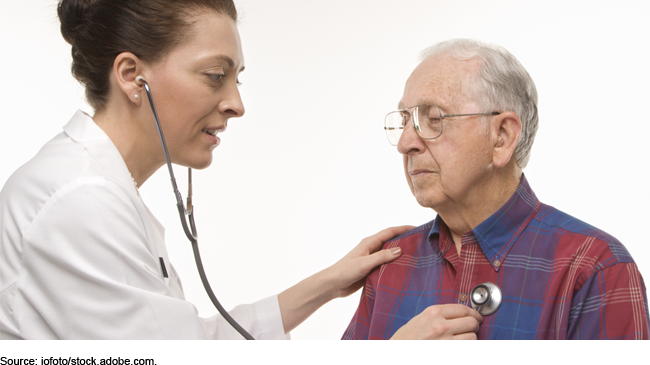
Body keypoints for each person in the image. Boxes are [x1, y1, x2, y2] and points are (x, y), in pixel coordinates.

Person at [0, 0, 417, 340]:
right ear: (132, 76)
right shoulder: (79, 199)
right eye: (216, 76)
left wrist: (327, 284)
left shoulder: (94, 187)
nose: (237, 103)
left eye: (237, 79)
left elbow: (185, 342)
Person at [342, 39, 650, 340]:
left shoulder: (595, 268)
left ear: (501, 137)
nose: (405, 143)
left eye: (432, 119)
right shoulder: (390, 263)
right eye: (406, 120)